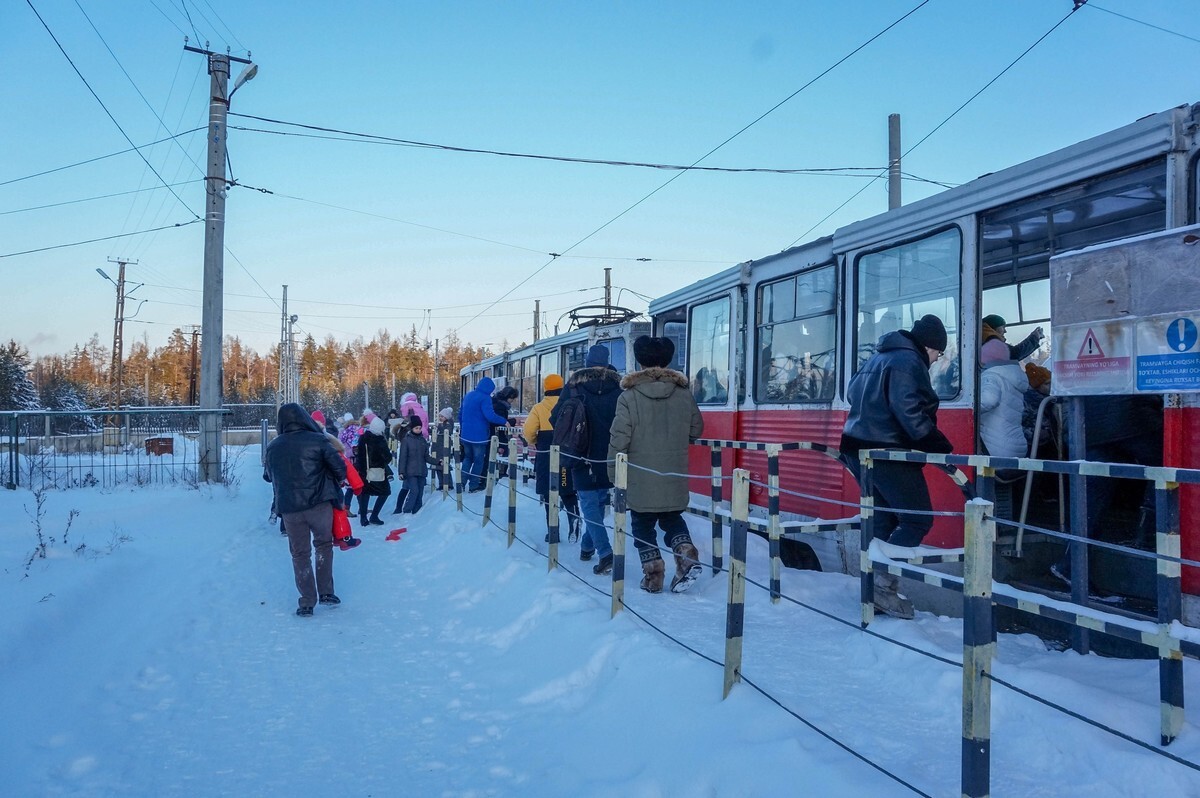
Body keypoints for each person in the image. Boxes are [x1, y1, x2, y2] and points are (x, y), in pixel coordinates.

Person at [840, 314, 953, 619]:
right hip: (886, 451)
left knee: (883, 520)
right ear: (929, 346)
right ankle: (882, 589)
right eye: (938, 353)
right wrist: (936, 443)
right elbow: (909, 410)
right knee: (917, 519)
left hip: (856, 448)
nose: (936, 359)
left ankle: (873, 589)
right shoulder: (909, 361)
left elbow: (851, 393)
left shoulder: (878, 356)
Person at [609, 336, 705, 593]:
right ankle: (686, 555)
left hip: (640, 474)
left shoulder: (628, 397)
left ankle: (654, 576)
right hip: (673, 472)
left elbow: (619, 439)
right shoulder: (683, 394)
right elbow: (696, 429)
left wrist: (613, 472)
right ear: (668, 361)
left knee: (642, 523)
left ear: (640, 361)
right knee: (672, 518)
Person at [263, 403, 347, 617]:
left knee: (300, 554)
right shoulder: (318, 440)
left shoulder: (273, 446)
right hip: (319, 503)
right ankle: (326, 593)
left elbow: (268, 476)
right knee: (323, 546)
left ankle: (307, 602)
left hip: (290, 508)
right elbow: (340, 468)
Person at [551, 344, 621, 574]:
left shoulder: (573, 387)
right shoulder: (618, 388)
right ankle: (587, 545)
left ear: (588, 363)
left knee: (589, 504)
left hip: (580, 452)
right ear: (608, 364)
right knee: (599, 501)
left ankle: (605, 553)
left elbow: (555, 418)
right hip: (609, 454)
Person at [524, 373, 582, 542]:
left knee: (549, 493)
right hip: (567, 452)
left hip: (546, 451)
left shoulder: (539, 407)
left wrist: (535, 441)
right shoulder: (571, 404)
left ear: (545, 388)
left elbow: (528, 431)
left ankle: (553, 531)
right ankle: (574, 519)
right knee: (568, 489)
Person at [978, 338, 1031, 459]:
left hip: (995, 447)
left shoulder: (991, 376)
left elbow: (989, 400)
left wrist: (969, 405)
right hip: (1016, 445)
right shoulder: (1012, 376)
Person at [459, 376, 509, 492]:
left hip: (466, 435)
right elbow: (490, 416)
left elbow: (460, 415)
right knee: (478, 461)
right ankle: (473, 485)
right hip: (480, 437)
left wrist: (463, 428)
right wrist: (504, 421)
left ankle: (461, 482)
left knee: (467, 458)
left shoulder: (468, 395)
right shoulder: (485, 398)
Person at [355, 416, 393, 525]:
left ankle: (363, 518)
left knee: (365, 493)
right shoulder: (380, 440)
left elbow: (359, 456)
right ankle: (374, 516)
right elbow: (387, 458)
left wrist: (361, 469)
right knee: (385, 492)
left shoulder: (363, 438)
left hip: (365, 471)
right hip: (378, 472)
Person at [396, 416, 436, 514]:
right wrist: (401, 472)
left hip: (421, 471)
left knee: (420, 492)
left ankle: (417, 512)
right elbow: (403, 457)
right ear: (412, 428)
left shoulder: (423, 440)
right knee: (414, 491)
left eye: (419, 428)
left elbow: (426, 456)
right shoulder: (406, 440)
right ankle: (407, 510)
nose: (418, 430)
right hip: (410, 471)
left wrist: (437, 462)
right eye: (416, 428)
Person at [491, 385, 519, 479]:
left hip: (495, 433)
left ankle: (499, 472)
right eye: (512, 398)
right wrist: (513, 421)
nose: (512, 401)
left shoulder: (496, 402)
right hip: (499, 435)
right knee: (505, 451)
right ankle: (501, 473)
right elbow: (500, 422)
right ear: (508, 397)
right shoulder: (500, 406)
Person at [430, 407, 456, 492]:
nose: (440, 418)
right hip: (438, 448)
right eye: (440, 416)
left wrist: (439, 427)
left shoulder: (448, 425)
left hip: (443, 448)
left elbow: (447, 432)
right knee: (438, 466)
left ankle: (448, 484)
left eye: (442, 416)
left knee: (445, 466)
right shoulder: (442, 425)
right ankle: (441, 484)